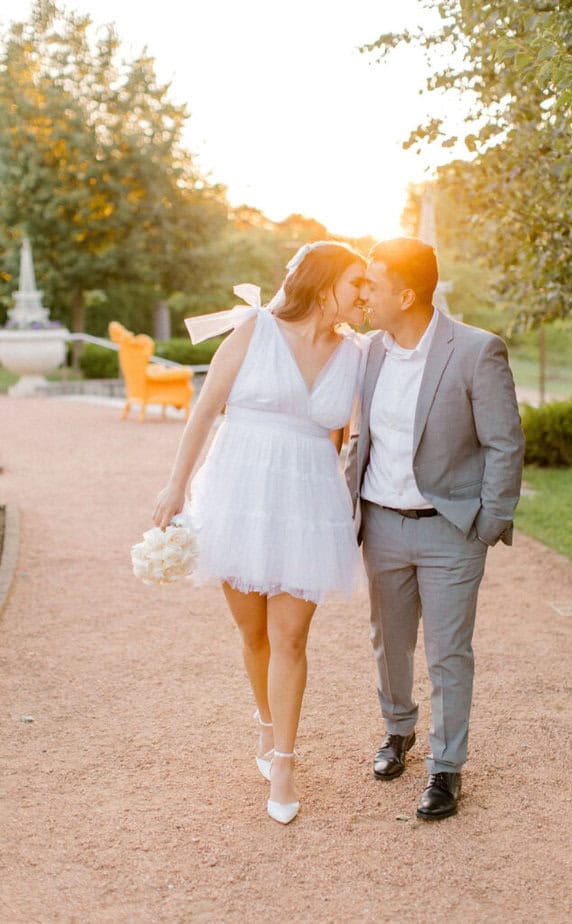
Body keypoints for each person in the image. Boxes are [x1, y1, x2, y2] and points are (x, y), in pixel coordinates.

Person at [153, 242, 367, 824]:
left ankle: (285, 762)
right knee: (254, 636)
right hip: (238, 495)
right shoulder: (253, 330)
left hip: (307, 503)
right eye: (356, 282)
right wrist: (176, 487)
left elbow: (349, 439)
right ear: (325, 286)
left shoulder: (355, 354)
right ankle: (265, 726)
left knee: (291, 638)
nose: (364, 294)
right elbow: (203, 412)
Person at [345, 237, 525, 820]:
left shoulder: (476, 350)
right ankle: (398, 732)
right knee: (388, 642)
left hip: (451, 529)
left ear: (407, 292)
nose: (364, 294)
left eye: (372, 285)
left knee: (449, 653)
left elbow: (504, 442)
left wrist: (489, 521)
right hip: (381, 524)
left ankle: (446, 768)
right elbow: (355, 436)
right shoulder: (367, 352)